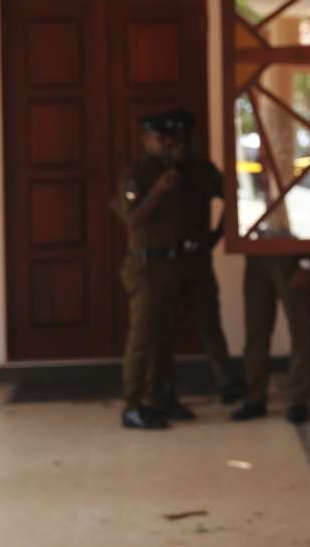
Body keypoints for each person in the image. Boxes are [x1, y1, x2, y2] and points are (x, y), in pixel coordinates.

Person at [111, 112, 192, 430]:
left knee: (166, 337)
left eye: (171, 138)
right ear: (146, 139)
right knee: (142, 338)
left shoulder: (172, 170)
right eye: (161, 138)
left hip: (169, 264)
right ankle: (132, 405)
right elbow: (132, 219)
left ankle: (159, 398)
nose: (167, 143)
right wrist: (158, 190)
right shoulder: (138, 174)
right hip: (145, 266)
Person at [166, 109, 247, 405]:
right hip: (168, 260)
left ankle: (226, 381)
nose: (181, 143)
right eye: (175, 137)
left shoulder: (202, 169)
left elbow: (231, 196)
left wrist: (217, 234)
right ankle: (166, 389)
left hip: (198, 257)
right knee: (165, 329)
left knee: (209, 322)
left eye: (185, 137)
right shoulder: (161, 172)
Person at [231, 254, 310, 423]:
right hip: (256, 256)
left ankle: (299, 401)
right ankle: (255, 398)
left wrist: (305, 264)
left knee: (300, 333)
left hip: (292, 257)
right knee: (256, 332)